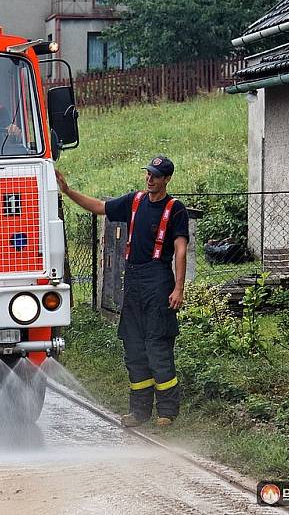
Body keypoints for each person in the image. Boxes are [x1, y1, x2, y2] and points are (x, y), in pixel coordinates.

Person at [56, 156, 188, 427]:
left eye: (156, 175)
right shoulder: (134, 201)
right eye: (148, 174)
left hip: (159, 282)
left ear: (166, 179)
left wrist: (178, 288)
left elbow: (180, 250)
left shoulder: (175, 209)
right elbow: (99, 207)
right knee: (134, 346)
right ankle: (139, 412)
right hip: (135, 281)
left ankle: (167, 413)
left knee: (157, 346)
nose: (149, 179)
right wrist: (68, 191)